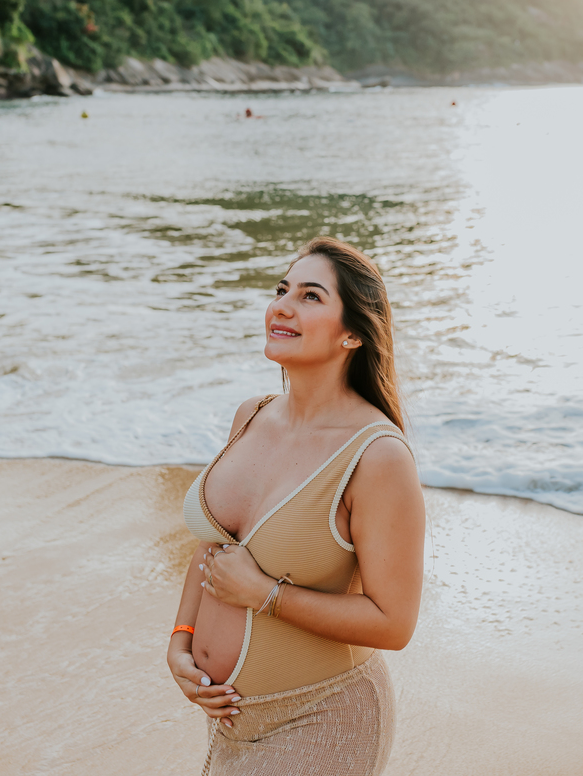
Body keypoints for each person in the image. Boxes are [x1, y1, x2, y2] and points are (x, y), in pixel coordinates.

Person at [166, 237, 426, 775]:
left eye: (310, 296)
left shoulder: (377, 457)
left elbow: (394, 623)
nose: (282, 305)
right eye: (282, 289)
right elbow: (213, 544)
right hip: (231, 721)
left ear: (353, 331)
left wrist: (267, 595)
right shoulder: (251, 415)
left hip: (322, 718)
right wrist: (181, 641)